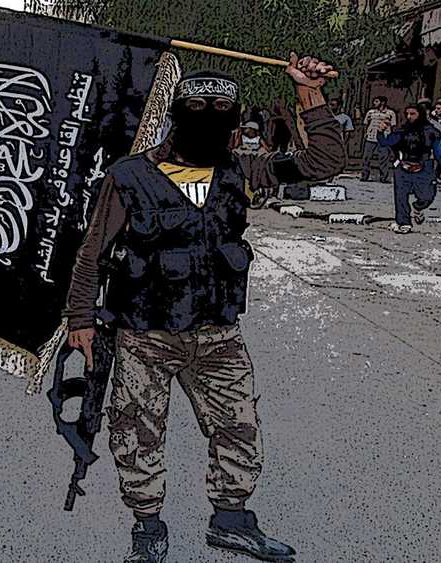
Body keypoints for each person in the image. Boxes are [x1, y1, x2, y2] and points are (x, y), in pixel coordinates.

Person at [65, 53, 345, 563]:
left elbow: (323, 163)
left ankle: (231, 522)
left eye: (222, 107)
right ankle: (147, 528)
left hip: (218, 334)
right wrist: (80, 319)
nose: (210, 113)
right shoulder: (131, 175)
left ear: (236, 119)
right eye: (198, 106)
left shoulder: (243, 170)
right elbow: (93, 251)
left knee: (238, 428)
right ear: (176, 113)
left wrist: (309, 93)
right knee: (136, 433)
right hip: (145, 334)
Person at [377, 104, 441, 234]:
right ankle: (403, 222)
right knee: (401, 196)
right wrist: (381, 131)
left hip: (424, 166)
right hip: (403, 166)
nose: (409, 117)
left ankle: (418, 208)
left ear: (420, 114)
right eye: (407, 114)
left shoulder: (431, 131)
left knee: (427, 196)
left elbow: (439, 150)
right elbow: (385, 142)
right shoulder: (402, 130)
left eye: (413, 114)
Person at [361, 96, 397, 183]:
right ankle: (365, 175)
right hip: (371, 137)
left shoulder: (390, 113)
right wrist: (366, 133)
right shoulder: (371, 112)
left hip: (384, 138)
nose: (374, 103)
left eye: (376, 101)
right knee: (366, 157)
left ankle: (383, 177)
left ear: (383, 102)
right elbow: (366, 123)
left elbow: (393, 126)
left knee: (383, 158)